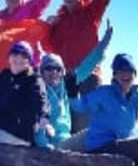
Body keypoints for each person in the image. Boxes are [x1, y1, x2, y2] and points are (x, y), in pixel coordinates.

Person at [47, 0, 121, 131]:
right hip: (66, 80)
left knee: (87, 128)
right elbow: (50, 48)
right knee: (67, 126)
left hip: (89, 78)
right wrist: (47, 28)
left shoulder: (91, 13)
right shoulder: (59, 21)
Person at [35, 21, 113, 150]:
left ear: (62, 72)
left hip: (66, 140)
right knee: (93, 135)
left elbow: (88, 65)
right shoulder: (37, 90)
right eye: (48, 68)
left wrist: (103, 45)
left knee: (100, 131)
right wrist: (44, 147)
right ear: (42, 72)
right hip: (50, 146)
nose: (53, 72)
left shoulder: (65, 84)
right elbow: (37, 121)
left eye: (57, 69)